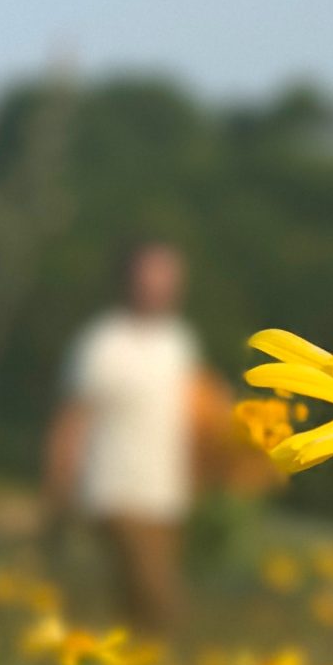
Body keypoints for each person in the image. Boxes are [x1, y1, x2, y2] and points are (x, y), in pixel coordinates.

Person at [44, 242, 199, 633]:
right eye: (149, 276)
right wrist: (58, 495)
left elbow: (190, 420)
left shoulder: (179, 343)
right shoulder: (103, 343)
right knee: (158, 606)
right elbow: (71, 422)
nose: (158, 286)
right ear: (128, 281)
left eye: (167, 277)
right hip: (115, 493)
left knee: (134, 613)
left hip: (166, 499)